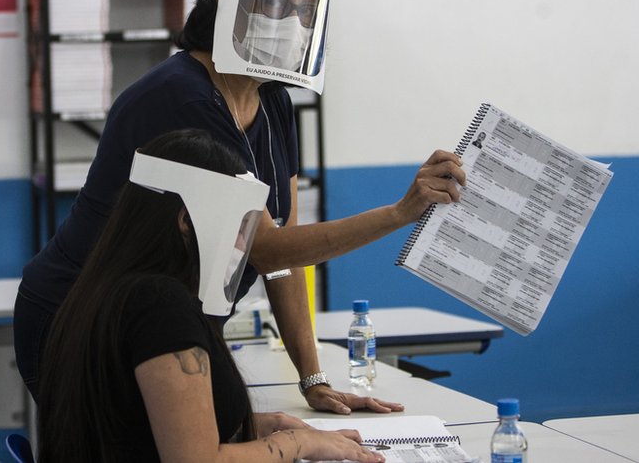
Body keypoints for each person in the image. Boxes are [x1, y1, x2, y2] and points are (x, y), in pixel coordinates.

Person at [15, 0, 466, 414]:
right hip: (80, 320)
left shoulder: (274, 101)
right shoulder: (181, 96)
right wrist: (401, 213)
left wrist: (312, 378)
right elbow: (265, 245)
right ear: (227, 3)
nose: (291, 21)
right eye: (273, 2)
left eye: (304, 8)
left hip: (160, 322)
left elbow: (283, 256)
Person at [38, 129, 384, 463]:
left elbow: (135, 430)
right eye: (237, 226)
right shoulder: (159, 305)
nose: (240, 245)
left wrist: (253, 427)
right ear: (187, 220)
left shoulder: (108, 288)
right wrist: (297, 443)